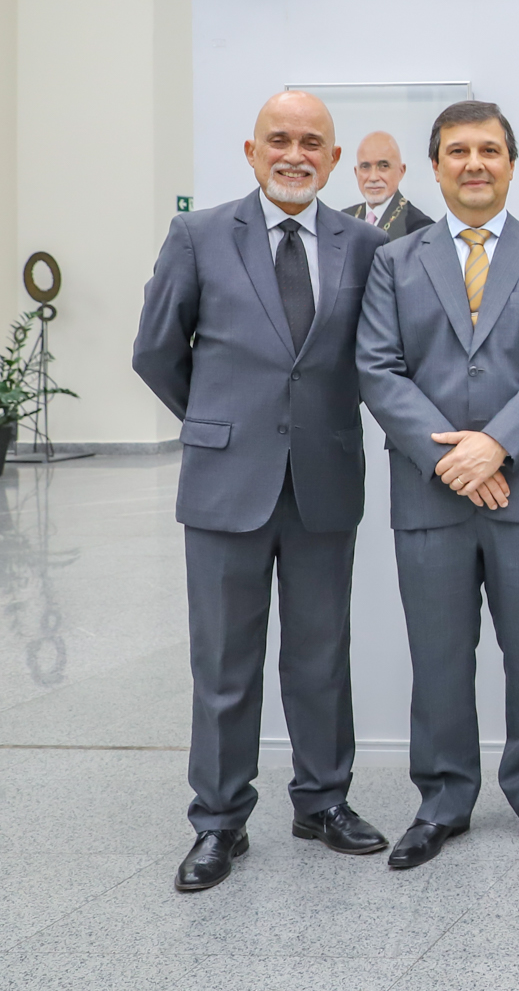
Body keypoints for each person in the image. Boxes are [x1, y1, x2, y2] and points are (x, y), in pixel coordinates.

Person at [134, 91, 392, 892]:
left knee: (321, 656)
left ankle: (323, 801)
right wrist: (217, 422)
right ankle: (218, 821)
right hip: (225, 483)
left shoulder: (365, 246)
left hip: (323, 483)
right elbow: (155, 350)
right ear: (252, 151)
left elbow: (376, 357)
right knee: (224, 662)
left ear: (335, 159)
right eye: (279, 139)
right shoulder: (199, 236)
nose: (294, 154)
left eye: (312, 142)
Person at [357, 100, 519, 869]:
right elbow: (379, 368)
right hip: (430, 494)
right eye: (458, 151)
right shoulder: (394, 261)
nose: (475, 163)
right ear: (435, 167)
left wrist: (496, 446)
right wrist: (451, 460)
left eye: (490, 149)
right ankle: (442, 802)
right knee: (439, 659)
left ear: (512, 164)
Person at [344, 131, 435, 237]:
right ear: (356, 172)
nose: (373, 177)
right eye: (365, 167)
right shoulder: (344, 220)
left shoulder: (420, 228)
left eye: (384, 166)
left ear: (401, 171)